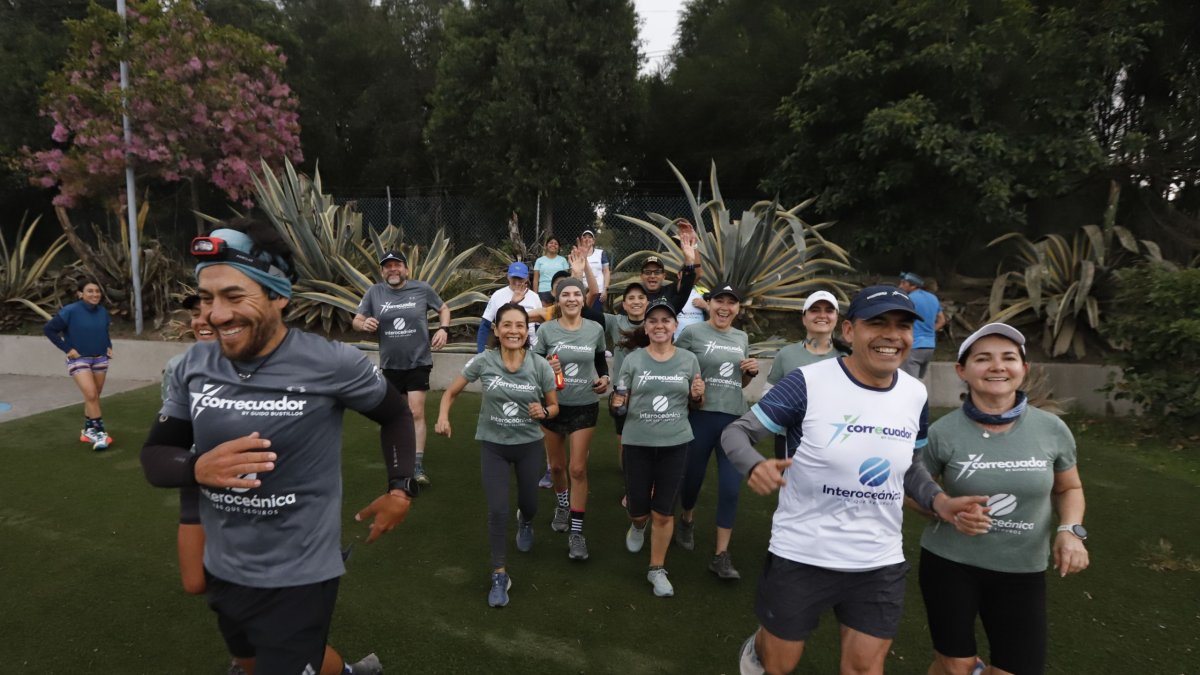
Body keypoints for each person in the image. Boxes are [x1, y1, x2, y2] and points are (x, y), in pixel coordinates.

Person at [140, 218, 413, 675]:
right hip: (226, 565)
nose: (216, 315)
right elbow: (154, 456)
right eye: (207, 299)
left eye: (233, 296)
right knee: (246, 659)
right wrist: (196, 469)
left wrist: (400, 488)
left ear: (278, 296)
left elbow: (396, 413)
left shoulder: (331, 362)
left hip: (301, 572)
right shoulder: (194, 364)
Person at [721, 285, 990, 675]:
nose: (891, 335)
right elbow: (736, 433)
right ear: (849, 331)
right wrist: (753, 464)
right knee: (779, 664)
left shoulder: (915, 394)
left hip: (878, 560)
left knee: (865, 668)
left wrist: (941, 503)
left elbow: (908, 466)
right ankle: (759, 644)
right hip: (802, 552)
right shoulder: (808, 382)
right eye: (877, 323)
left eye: (902, 326)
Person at [916, 323, 1088, 675]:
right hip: (951, 564)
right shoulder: (942, 432)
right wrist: (947, 511)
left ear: (1023, 370)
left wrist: (1070, 530)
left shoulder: (1051, 429)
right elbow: (911, 488)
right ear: (962, 371)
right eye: (983, 359)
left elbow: (1069, 488)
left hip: (1022, 568)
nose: (997, 366)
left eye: (1008, 358)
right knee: (954, 666)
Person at [435, 303, 559, 608]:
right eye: (507, 325)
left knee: (528, 503)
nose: (513, 331)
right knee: (497, 510)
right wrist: (443, 417)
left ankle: (526, 521)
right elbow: (450, 392)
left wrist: (543, 411)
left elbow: (554, 407)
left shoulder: (539, 365)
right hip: (494, 446)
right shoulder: (484, 361)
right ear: (497, 329)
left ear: (526, 330)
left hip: (529, 445)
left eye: (519, 325)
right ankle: (499, 573)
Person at [611, 298, 704, 598]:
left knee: (663, 512)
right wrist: (616, 405)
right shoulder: (634, 360)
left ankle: (656, 569)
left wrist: (698, 396)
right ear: (646, 327)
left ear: (675, 326)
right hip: (637, 443)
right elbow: (619, 406)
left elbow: (695, 402)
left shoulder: (688, 360)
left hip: (675, 443)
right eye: (653, 321)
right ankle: (637, 526)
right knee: (639, 510)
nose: (660, 325)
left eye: (666, 320)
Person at [674, 282, 757, 580]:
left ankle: (721, 555)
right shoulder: (692, 333)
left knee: (732, 488)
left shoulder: (741, 337)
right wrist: (690, 392)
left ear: (738, 308)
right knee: (692, 480)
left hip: (734, 421)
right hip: (701, 417)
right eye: (719, 301)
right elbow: (677, 370)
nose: (725, 307)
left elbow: (741, 384)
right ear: (709, 304)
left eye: (731, 303)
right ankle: (686, 518)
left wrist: (748, 374)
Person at [353, 250, 451, 486]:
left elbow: (443, 308)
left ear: (406, 269)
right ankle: (400, 460)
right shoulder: (374, 292)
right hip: (390, 365)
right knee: (396, 415)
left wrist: (443, 329)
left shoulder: (421, 289)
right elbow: (356, 319)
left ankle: (416, 465)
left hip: (418, 361)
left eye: (397, 265)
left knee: (415, 412)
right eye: (388, 266)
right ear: (382, 271)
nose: (393, 269)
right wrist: (363, 323)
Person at [532, 278, 609, 560]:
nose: (572, 299)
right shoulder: (547, 330)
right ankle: (562, 504)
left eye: (577, 293)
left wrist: (605, 378)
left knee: (577, 468)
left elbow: (600, 360)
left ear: (583, 296)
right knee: (556, 468)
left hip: (585, 405)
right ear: (557, 298)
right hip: (553, 406)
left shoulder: (595, 329)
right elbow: (533, 364)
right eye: (566, 294)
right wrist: (546, 367)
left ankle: (577, 532)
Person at [762, 290, 847, 459]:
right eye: (815, 310)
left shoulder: (848, 358)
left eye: (829, 311)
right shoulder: (786, 354)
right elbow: (767, 395)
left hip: (836, 440)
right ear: (804, 317)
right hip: (790, 440)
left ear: (836, 318)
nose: (822, 315)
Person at [43, 278, 113, 450]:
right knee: (90, 395)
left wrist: (109, 345)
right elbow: (49, 329)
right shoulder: (70, 310)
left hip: (100, 358)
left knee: (95, 395)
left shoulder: (102, 311)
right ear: (80, 294)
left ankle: (87, 431)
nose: (95, 294)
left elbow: (104, 330)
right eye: (90, 291)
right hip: (79, 359)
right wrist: (67, 348)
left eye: (97, 291)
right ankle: (100, 432)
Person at [477, 261, 542, 352]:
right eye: (514, 278)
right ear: (508, 276)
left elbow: (538, 327)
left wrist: (539, 351)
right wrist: (480, 352)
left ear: (527, 278)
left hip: (529, 348)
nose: (517, 282)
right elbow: (485, 324)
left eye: (520, 278)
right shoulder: (497, 295)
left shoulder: (534, 297)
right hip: (504, 345)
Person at [898, 271, 945, 379]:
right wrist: (928, 332)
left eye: (903, 283)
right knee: (918, 382)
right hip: (929, 347)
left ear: (913, 286)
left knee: (909, 384)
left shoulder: (909, 299)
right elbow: (942, 320)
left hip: (914, 347)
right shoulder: (933, 298)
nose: (900, 286)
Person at [578, 229, 611, 313]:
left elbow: (606, 272)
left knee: (595, 316)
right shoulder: (578, 254)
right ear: (581, 240)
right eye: (584, 237)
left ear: (593, 241)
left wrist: (605, 289)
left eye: (590, 237)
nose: (587, 239)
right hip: (582, 292)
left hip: (598, 292)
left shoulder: (601, 253)